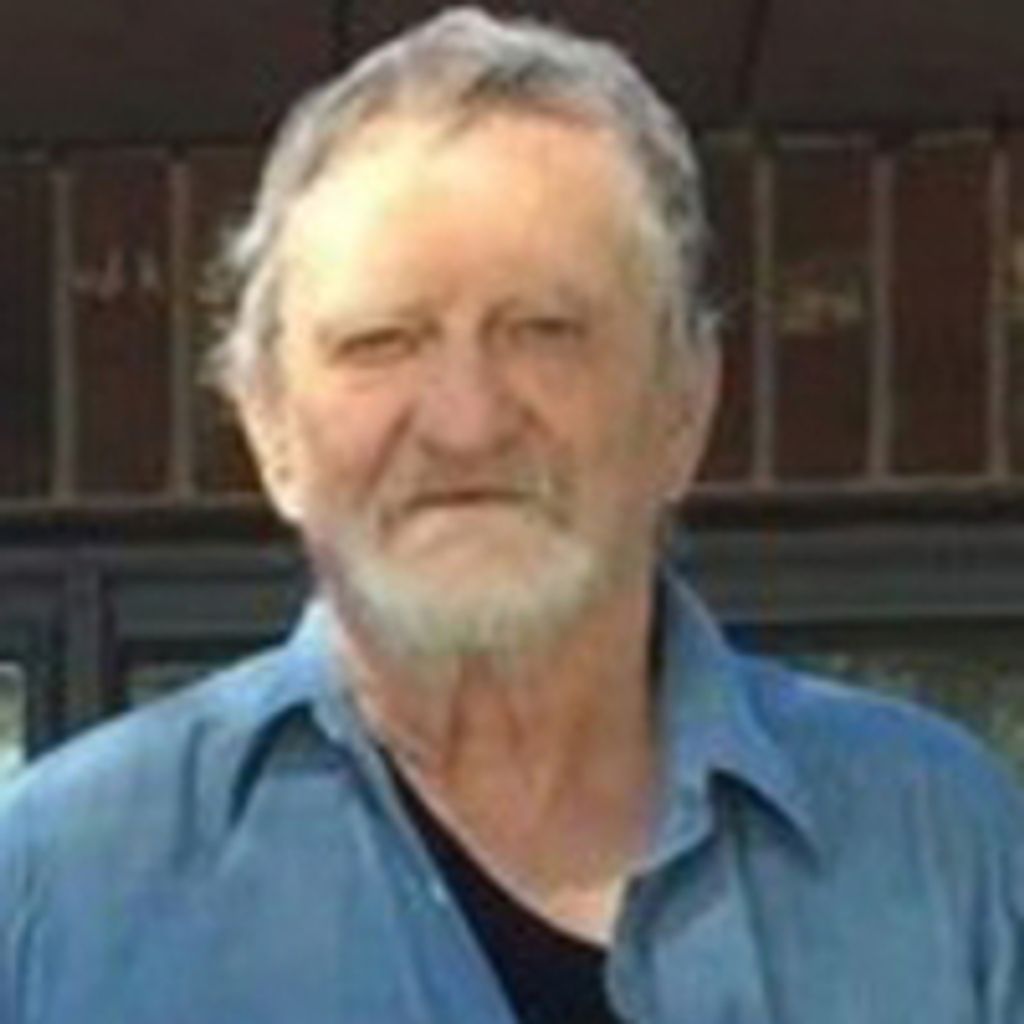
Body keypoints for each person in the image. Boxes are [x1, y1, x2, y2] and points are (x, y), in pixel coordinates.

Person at [1, 8, 1021, 1022]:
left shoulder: (944, 851)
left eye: (544, 330)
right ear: (270, 429)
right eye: (381, 340)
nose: (466, 422)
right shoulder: (61, 890)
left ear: (683, 405)